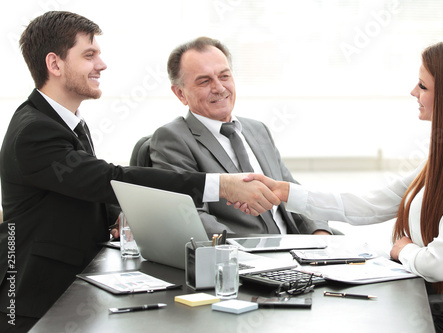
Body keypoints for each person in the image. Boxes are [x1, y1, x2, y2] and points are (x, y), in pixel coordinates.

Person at [0, 12, 279, 332]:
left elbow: (79, 187)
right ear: (55, 64)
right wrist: (222, 186)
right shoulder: (35, 131)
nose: (101, 65)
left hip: (70, 291)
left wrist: (117, 216)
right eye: (89, 55)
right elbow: (108, 178)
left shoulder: (64, 121)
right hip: (35, 303)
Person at [243, 38, 443, 332]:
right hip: (435, 302)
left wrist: (402, 250)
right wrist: (285, 192)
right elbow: (371, 204)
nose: (413, 92)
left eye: (423, 87)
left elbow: (441, 264)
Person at [149, 36, 331, 237]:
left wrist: (319, 233)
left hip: (297, 250)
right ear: (180, 94)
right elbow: (190, 216)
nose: (219, 88)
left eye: (224, 76)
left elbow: (292, 191)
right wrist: (247, 253)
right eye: (204, 81)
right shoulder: (173, 139)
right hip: (242, 259)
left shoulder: (257, 129)